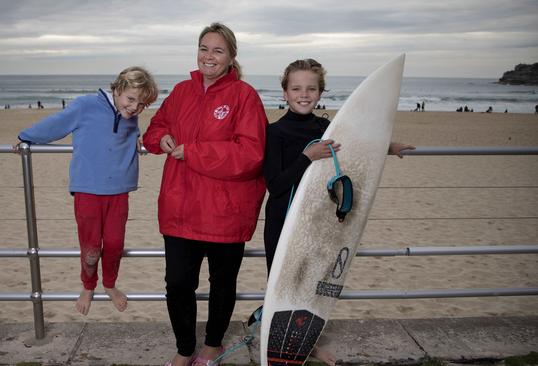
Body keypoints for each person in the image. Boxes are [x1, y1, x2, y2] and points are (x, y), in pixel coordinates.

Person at [263, 58, 416, 365]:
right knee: (286, 283)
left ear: (320, 93)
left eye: (311, 88)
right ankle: (275, 341)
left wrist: (388, 146)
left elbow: (357, 146)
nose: (303, 94)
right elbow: (276, 185)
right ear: (284, 92)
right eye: (296, 88)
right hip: (283, 222)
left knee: (315, 281)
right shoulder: (274, 132)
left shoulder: (326, 127)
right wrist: (307, 157)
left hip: (318, 221)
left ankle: (309, 345)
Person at [143, 22, 267, 366]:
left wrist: (194, 152)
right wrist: (161, 138)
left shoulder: (245, 96)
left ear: (231, 57)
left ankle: (211, 347)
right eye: (203, 48)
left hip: (226, 211)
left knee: (222, 283)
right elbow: (154, 129)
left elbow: (251, 154)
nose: (208, 56)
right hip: (180, 208)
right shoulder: (182, 91)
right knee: (178, 284)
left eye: (217, 50)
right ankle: (185, 350)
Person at [14, 66, 158, 315]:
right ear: (117, 89)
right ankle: (88, 285)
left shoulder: (129, 115)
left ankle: (110, 284)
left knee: (114, 243)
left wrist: (137, 136)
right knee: (91, 247)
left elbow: (128, 130)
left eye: (142, 104)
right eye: (131, 99)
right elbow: (56, 124)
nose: (135, 107)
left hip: (118, 190)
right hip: (87, 190)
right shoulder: (85, 106)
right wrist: (26, 137)